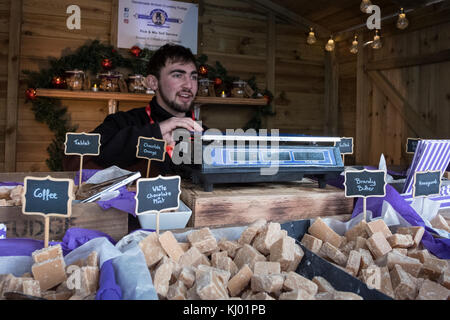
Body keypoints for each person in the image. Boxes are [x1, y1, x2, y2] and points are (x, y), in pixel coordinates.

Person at [63, 43, 204, 177]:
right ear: (152, 82)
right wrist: (154, 132)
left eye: (194, 77)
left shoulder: (206, 136)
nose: (189, 85)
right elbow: (77, 160)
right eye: (178, 75)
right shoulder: (122, 122)